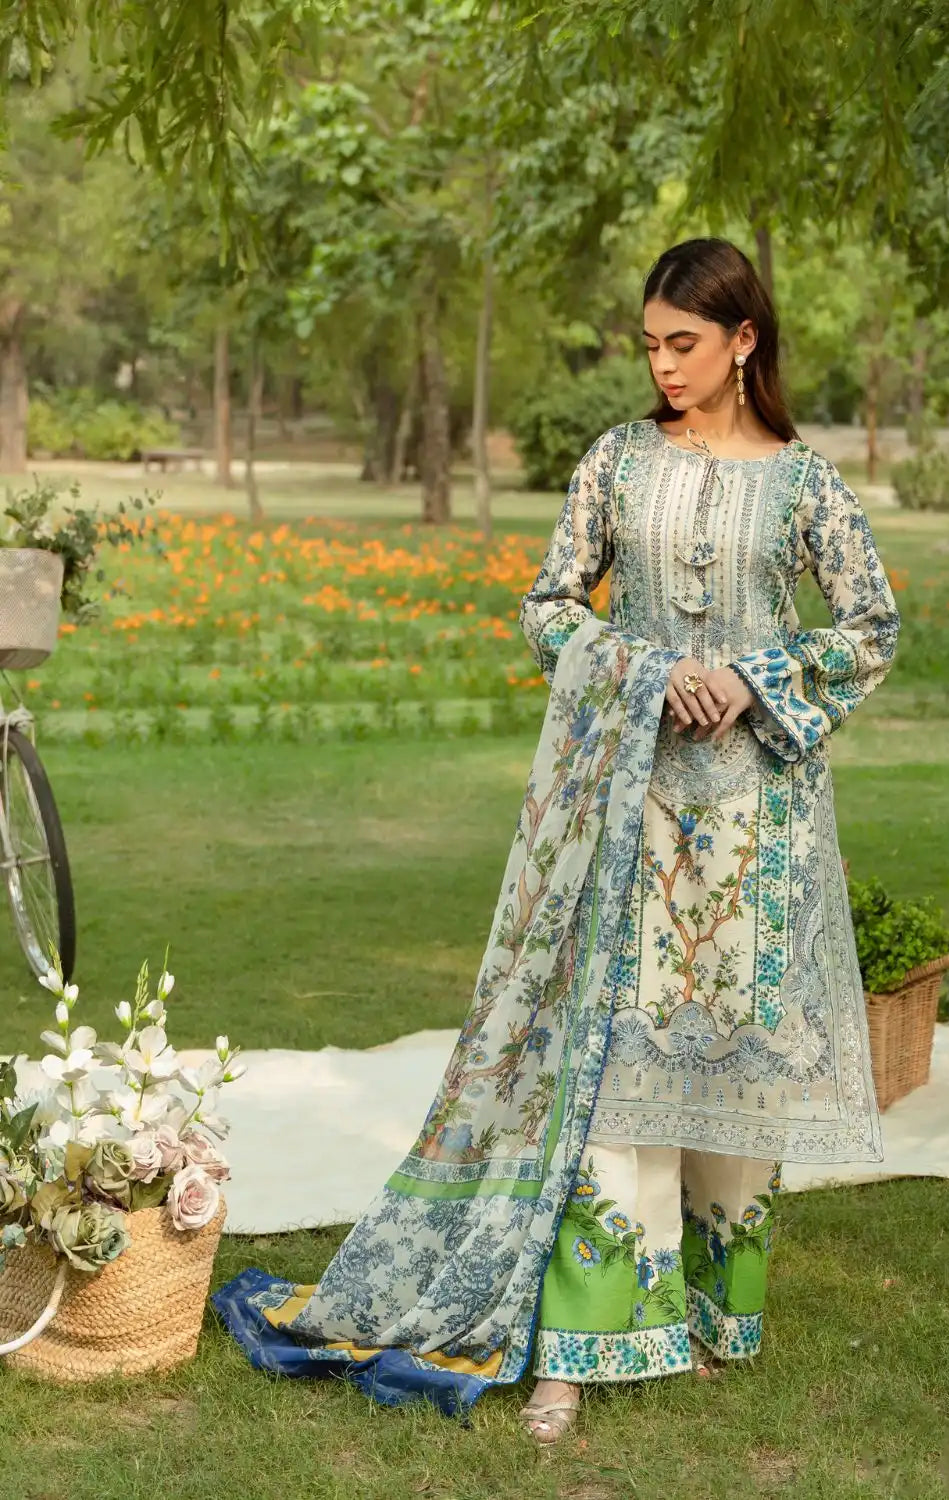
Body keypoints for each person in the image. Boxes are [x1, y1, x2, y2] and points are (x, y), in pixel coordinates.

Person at [213, 237, 901, 1442]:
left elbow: (871, 627)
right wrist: (644, 669)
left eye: (684, 343)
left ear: (744, 341)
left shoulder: (806, 485)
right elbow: (547, 611)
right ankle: (578, 1349)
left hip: (758, 818)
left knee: (727, 1061)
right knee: (614, 1061)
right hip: (627, 805)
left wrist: (750, 677)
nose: (663, 365)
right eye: (650, 344)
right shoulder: (615, 463)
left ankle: (706, 1321)